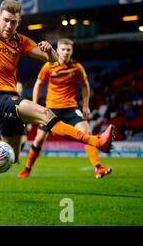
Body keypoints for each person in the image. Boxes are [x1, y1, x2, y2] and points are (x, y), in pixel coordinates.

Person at [0, 0, 115, 191]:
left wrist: (49, 50)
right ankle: (97, 141)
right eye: (6, 20)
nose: (9, 25)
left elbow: (53, 60)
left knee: (10, 157)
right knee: (46, 114)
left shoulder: (21, 41)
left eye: (14, 22)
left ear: (19, 22)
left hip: (11, 99)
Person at [17, 38, 112, 179]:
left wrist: (85, 105)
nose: (66, 52)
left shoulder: (77, 67)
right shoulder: (49, 66)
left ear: (72, 51)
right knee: (38, 140)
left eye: (68, 49)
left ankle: (98, 168)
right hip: (51, 109)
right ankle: (27, 169)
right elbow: (38, 84)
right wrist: (35, 105)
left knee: (86, 132)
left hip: (70, 107)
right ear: (58, 50)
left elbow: (85, 85)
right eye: (63, 49)